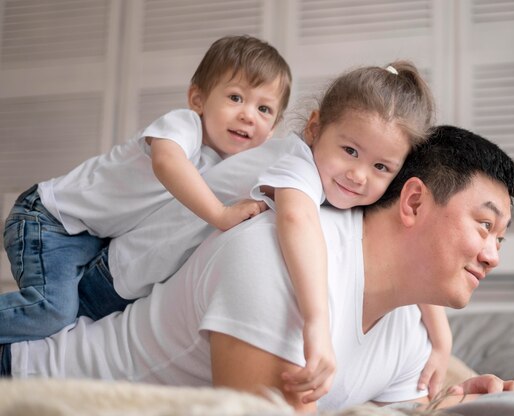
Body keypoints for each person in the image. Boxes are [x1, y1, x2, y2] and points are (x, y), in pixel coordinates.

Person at [0, 125, 514, 414]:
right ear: (413, 202)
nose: (494, 255)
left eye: (501, 238)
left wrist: (457, 409)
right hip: (26, 377)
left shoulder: (409, 332)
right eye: (485, 226)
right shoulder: (275, 254)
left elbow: (408, 409)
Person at [103, 60, 450, 401]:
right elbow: (297, 221)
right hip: (121, 270)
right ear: (314, 128)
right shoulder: (298, 164)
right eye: (350, 150)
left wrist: (441, 340)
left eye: (380, 166)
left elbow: (407, 259)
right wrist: (318, 325)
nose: (359, 174)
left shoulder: (344, 188)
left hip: (151, 278)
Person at [0, 35, 292, 343]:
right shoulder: (184, 126)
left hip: (90, 237)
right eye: (235, 98)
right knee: (51, 312)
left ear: (272, 129)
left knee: (61, 327)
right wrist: (220, 214)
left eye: (264, 109)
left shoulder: (228, 166)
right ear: (198, 99)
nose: (248, 115)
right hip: (50, 219)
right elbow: (167, 163)